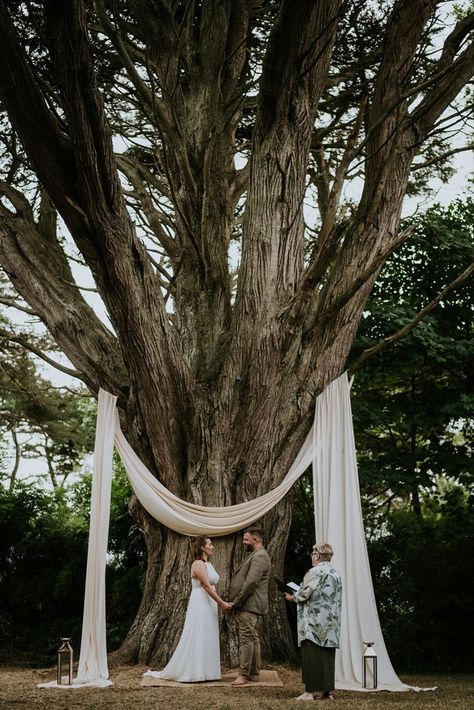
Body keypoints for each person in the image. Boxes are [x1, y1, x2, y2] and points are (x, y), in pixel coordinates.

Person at [143, 536, 232, 683]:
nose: (213, 547)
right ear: (202, 547)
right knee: (199, 633)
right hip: (201, 602)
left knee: (208, 633)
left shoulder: (208, 564)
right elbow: (206, 586)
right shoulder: (197, 564)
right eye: (210, 544)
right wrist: (222, 603)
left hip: (210, 602)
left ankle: (208, 672)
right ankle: (195, 672)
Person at [285, 542, 342, 702]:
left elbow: (304, 594)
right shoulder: (336, 574)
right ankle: (327, 692)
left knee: (311, 656)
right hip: (330, 624)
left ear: (317, 555)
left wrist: (292, 597)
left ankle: (309, 692)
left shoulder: (315, 571)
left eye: (312, 554)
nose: (312, 557)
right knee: (327, 658)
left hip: (313, 623)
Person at [229, 528, 272, 686]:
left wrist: (238, 602)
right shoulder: (256, 554)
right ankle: (254, 672)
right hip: (249, 604)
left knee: (246, 638)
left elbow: (251, 583)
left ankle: (243, 674)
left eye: (246, 540)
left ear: (256, 540)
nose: (243, 542)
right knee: (253, 637)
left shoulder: (260, 555)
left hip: (249, 604)